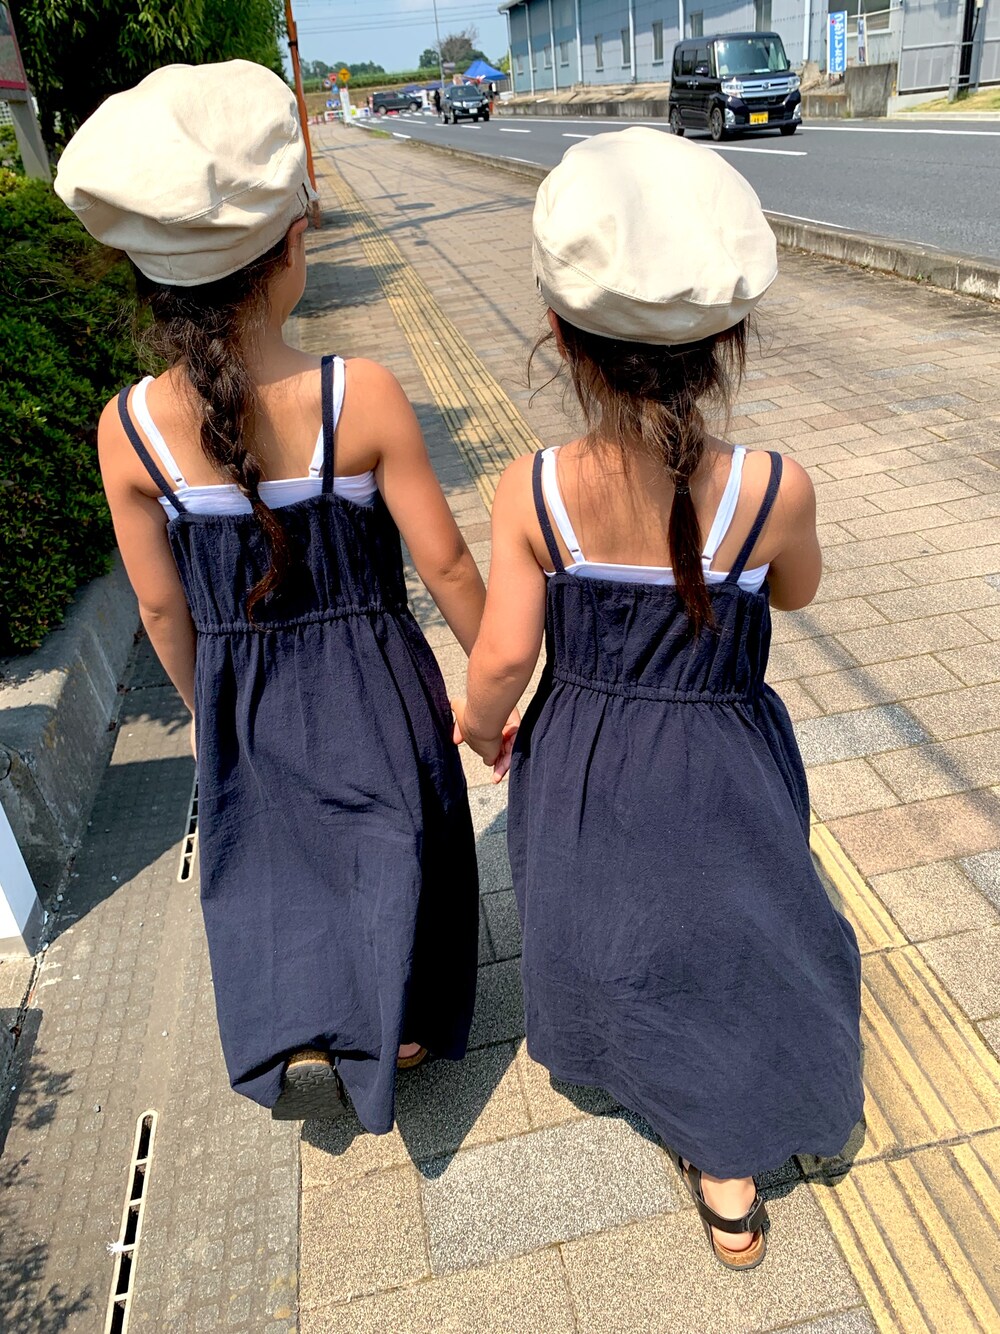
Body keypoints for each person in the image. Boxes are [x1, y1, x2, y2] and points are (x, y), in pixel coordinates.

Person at [453, 128, 863, 1271]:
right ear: (730, 336)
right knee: (737, 922)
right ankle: (733, 1162)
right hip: (726, 745)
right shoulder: (775, 485)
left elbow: (503, 657)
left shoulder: (534, 486)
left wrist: (480, 726)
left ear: (558, 333)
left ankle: (634, 1065)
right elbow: (799, 589)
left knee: (603, 914)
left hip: (584, 744)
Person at [55, 61, 484, 1126]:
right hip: (374, 678)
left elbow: (162, 608)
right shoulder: (357, 393)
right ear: (292, 248)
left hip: (240, 680)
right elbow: (446, 566)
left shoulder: (126, 429)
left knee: (282, 853)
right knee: (398, 832)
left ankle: (311, 1021)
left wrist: (208, 705)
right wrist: (498, 690)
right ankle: (404, 1024)